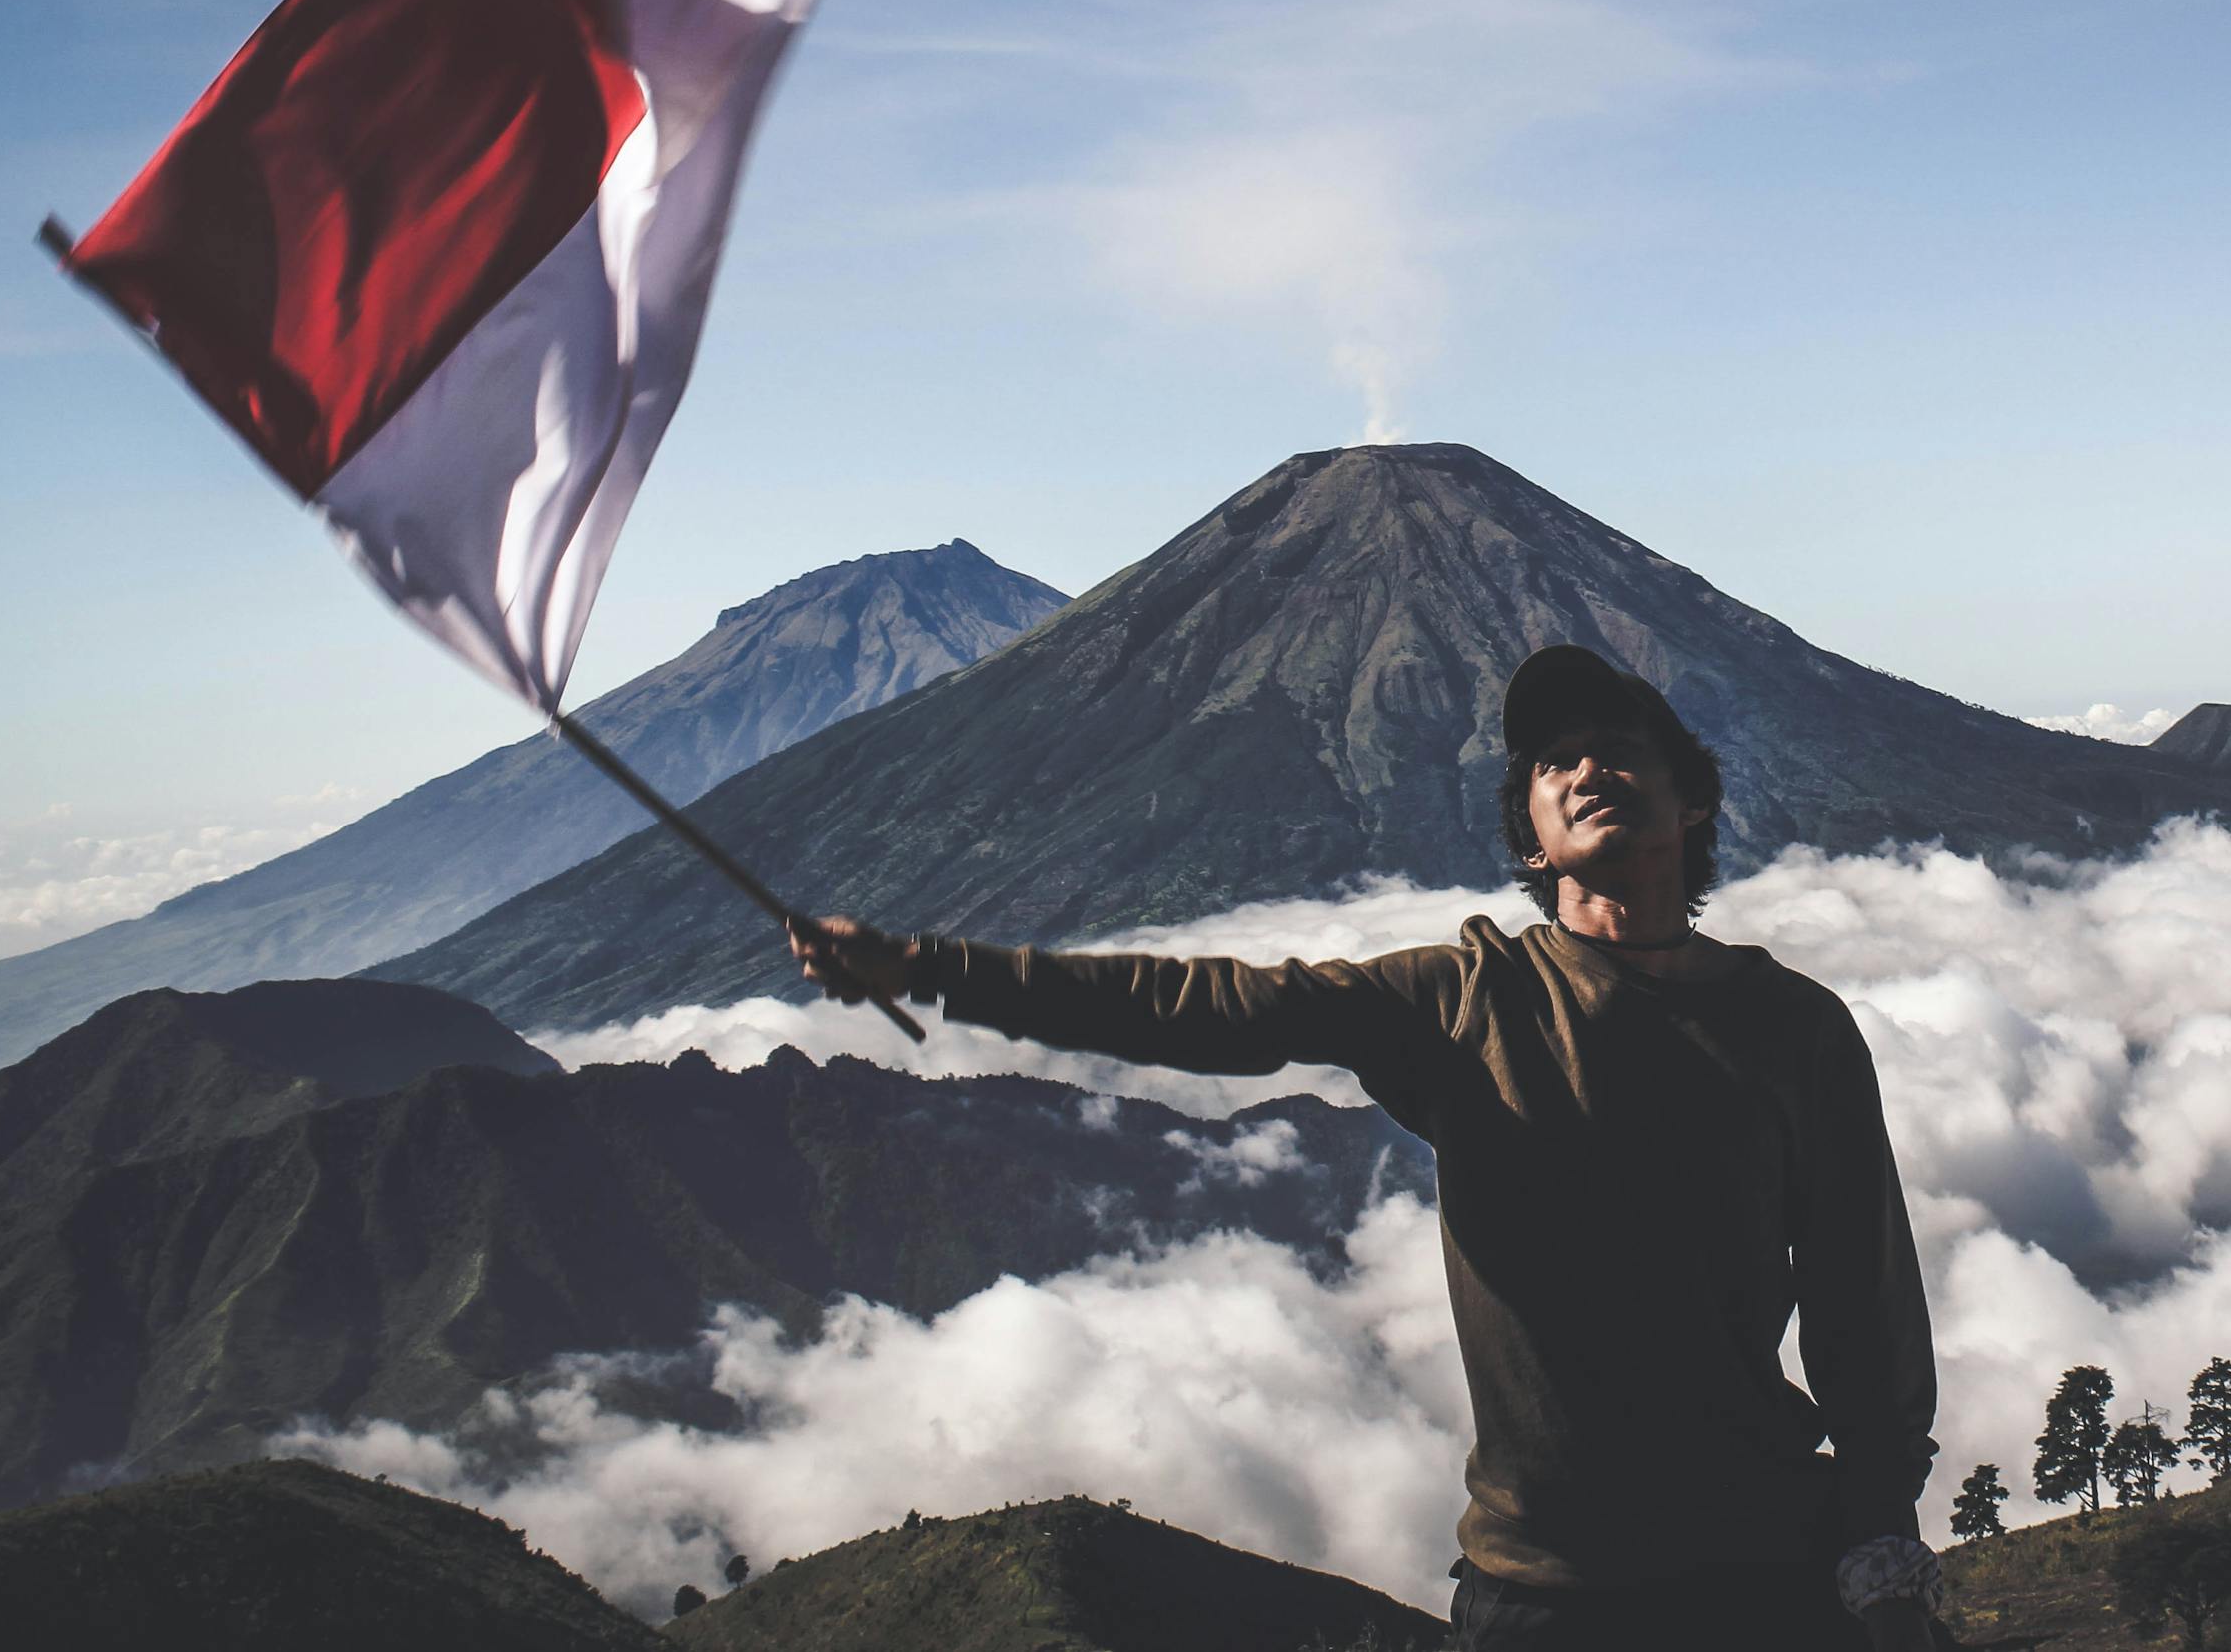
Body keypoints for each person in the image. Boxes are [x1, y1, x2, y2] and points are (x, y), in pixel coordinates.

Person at [790, 643, 1948, 1651]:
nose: (1589, 768)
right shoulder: (1468, 1000)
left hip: (1764, 1572)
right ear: (1533, 846)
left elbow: (1862, 1302)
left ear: (1691, 802)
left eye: (1619, 747)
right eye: (1555, 763)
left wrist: (1885, 1559)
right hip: (1546, 1595)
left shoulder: (1794, 1027)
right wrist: (937, 969)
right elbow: (1210, 1004)